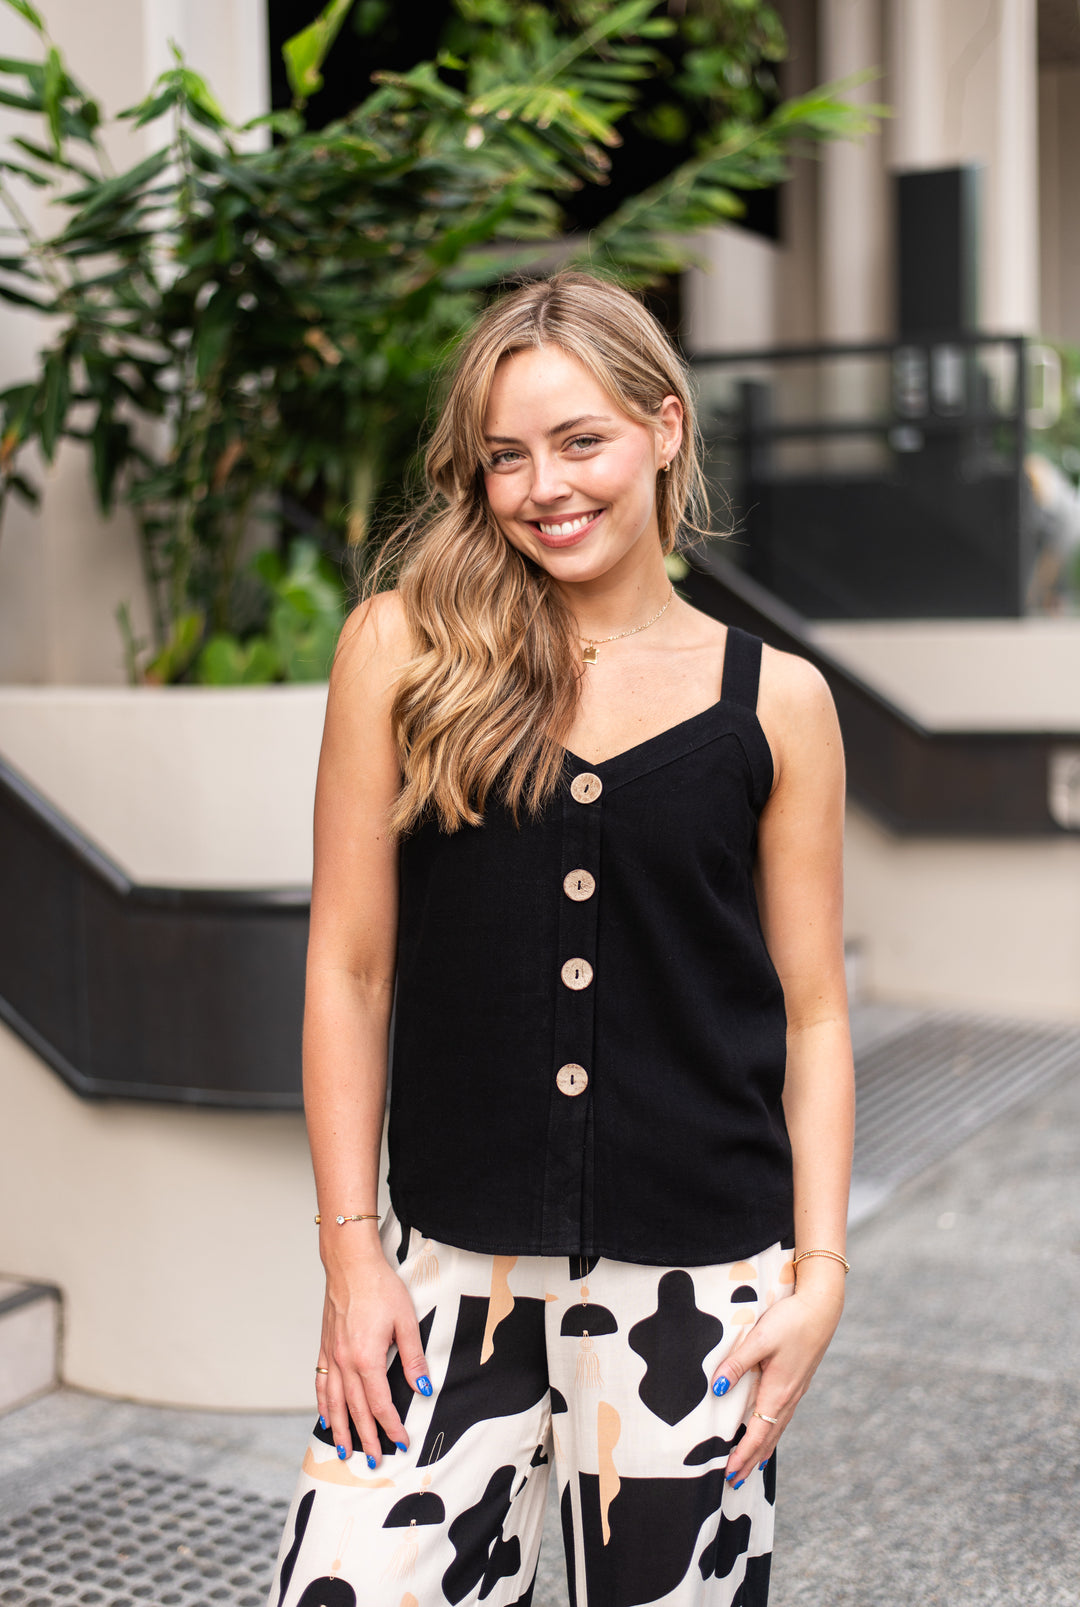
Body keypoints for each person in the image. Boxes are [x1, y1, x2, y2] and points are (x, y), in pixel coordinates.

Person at [267, 271, 854, 1607]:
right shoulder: (406, 652)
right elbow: (349, 969)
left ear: (663, 428)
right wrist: (351, 1251)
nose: (544, 487)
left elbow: (814, 1012)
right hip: (441, 1275)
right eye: (506, 458)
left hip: (701, 1282)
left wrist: (818, 1275)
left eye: (578, 440)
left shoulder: (780, 703)